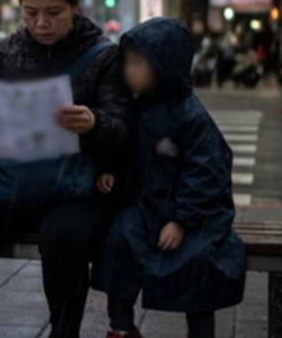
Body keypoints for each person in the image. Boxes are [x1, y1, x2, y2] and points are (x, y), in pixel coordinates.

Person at [0, 0, 132, 338]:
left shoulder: (102, 56)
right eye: (30, 13)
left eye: (54, 12)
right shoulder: (2, 54)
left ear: (75, 4)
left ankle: (64, 333)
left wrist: (93, 123)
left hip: (73, 186)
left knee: (62, 238)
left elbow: (124, 130)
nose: (41, 24)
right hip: (9, 180)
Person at [92, 17, 245, 338]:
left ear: (163, 66)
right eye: (127, 63)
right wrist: (110, 171)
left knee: (197, 262)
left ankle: (200, 332)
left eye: (137, 64)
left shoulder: (191, 116)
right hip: (148, 205)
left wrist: (180, 219)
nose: (128, 72)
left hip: (194, 214)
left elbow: (206, 173)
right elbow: (126, 151)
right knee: (119, 239)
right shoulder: (138, 108)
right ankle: (120, 324)